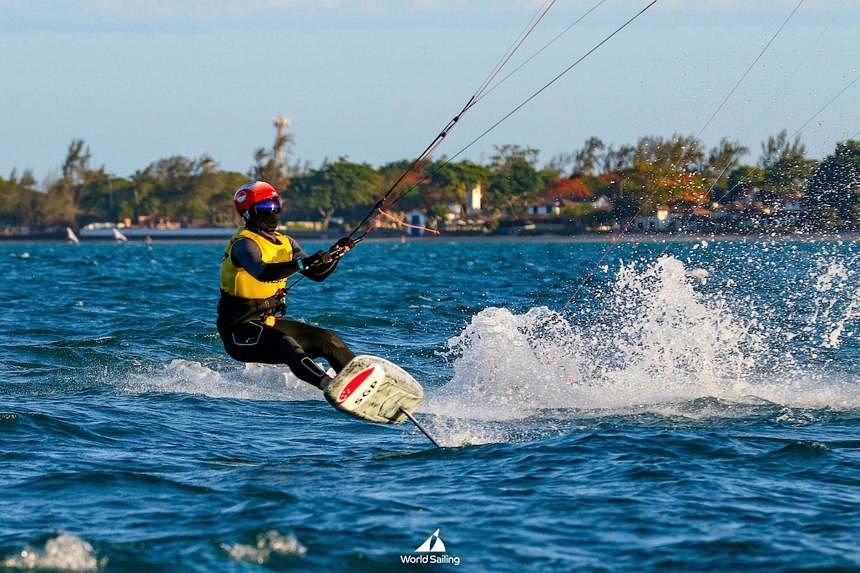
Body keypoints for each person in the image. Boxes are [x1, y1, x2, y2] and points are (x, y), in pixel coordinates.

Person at [217, 180, 356, 390]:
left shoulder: (286, 243)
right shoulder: (244, 245)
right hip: (239, 332)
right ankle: (331, 386)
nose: (272, 213)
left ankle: (361, 384)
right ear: (248, 213)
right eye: (265, 208)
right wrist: (302, 263)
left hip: (268, 323)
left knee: (329, 340)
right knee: (287, 345)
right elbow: (262, 272)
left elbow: (317, 274)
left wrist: (336, 253)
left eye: (275, 206)